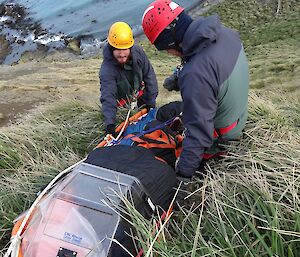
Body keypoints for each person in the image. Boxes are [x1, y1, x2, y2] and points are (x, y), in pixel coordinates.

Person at [142, 0, 249, 179]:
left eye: (166, 49)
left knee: (180, 152)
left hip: (226, 135)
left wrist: (183, 176)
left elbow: (199, 135)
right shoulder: (225, 33)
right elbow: (209, 68)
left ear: (172, 42)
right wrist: (179, 77)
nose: (169, 54)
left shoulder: (195, 75)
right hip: (239, 111)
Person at [99, 21, 158, 137]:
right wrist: (110, 125)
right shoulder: (107, 70)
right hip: (122, 104)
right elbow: (108, 97)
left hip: (140, 95)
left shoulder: (139, 54)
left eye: (125, 49)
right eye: (117, 49)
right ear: (111, 49)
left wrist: (150, 104)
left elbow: (149, 77)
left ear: (130, 47)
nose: (121, 54)